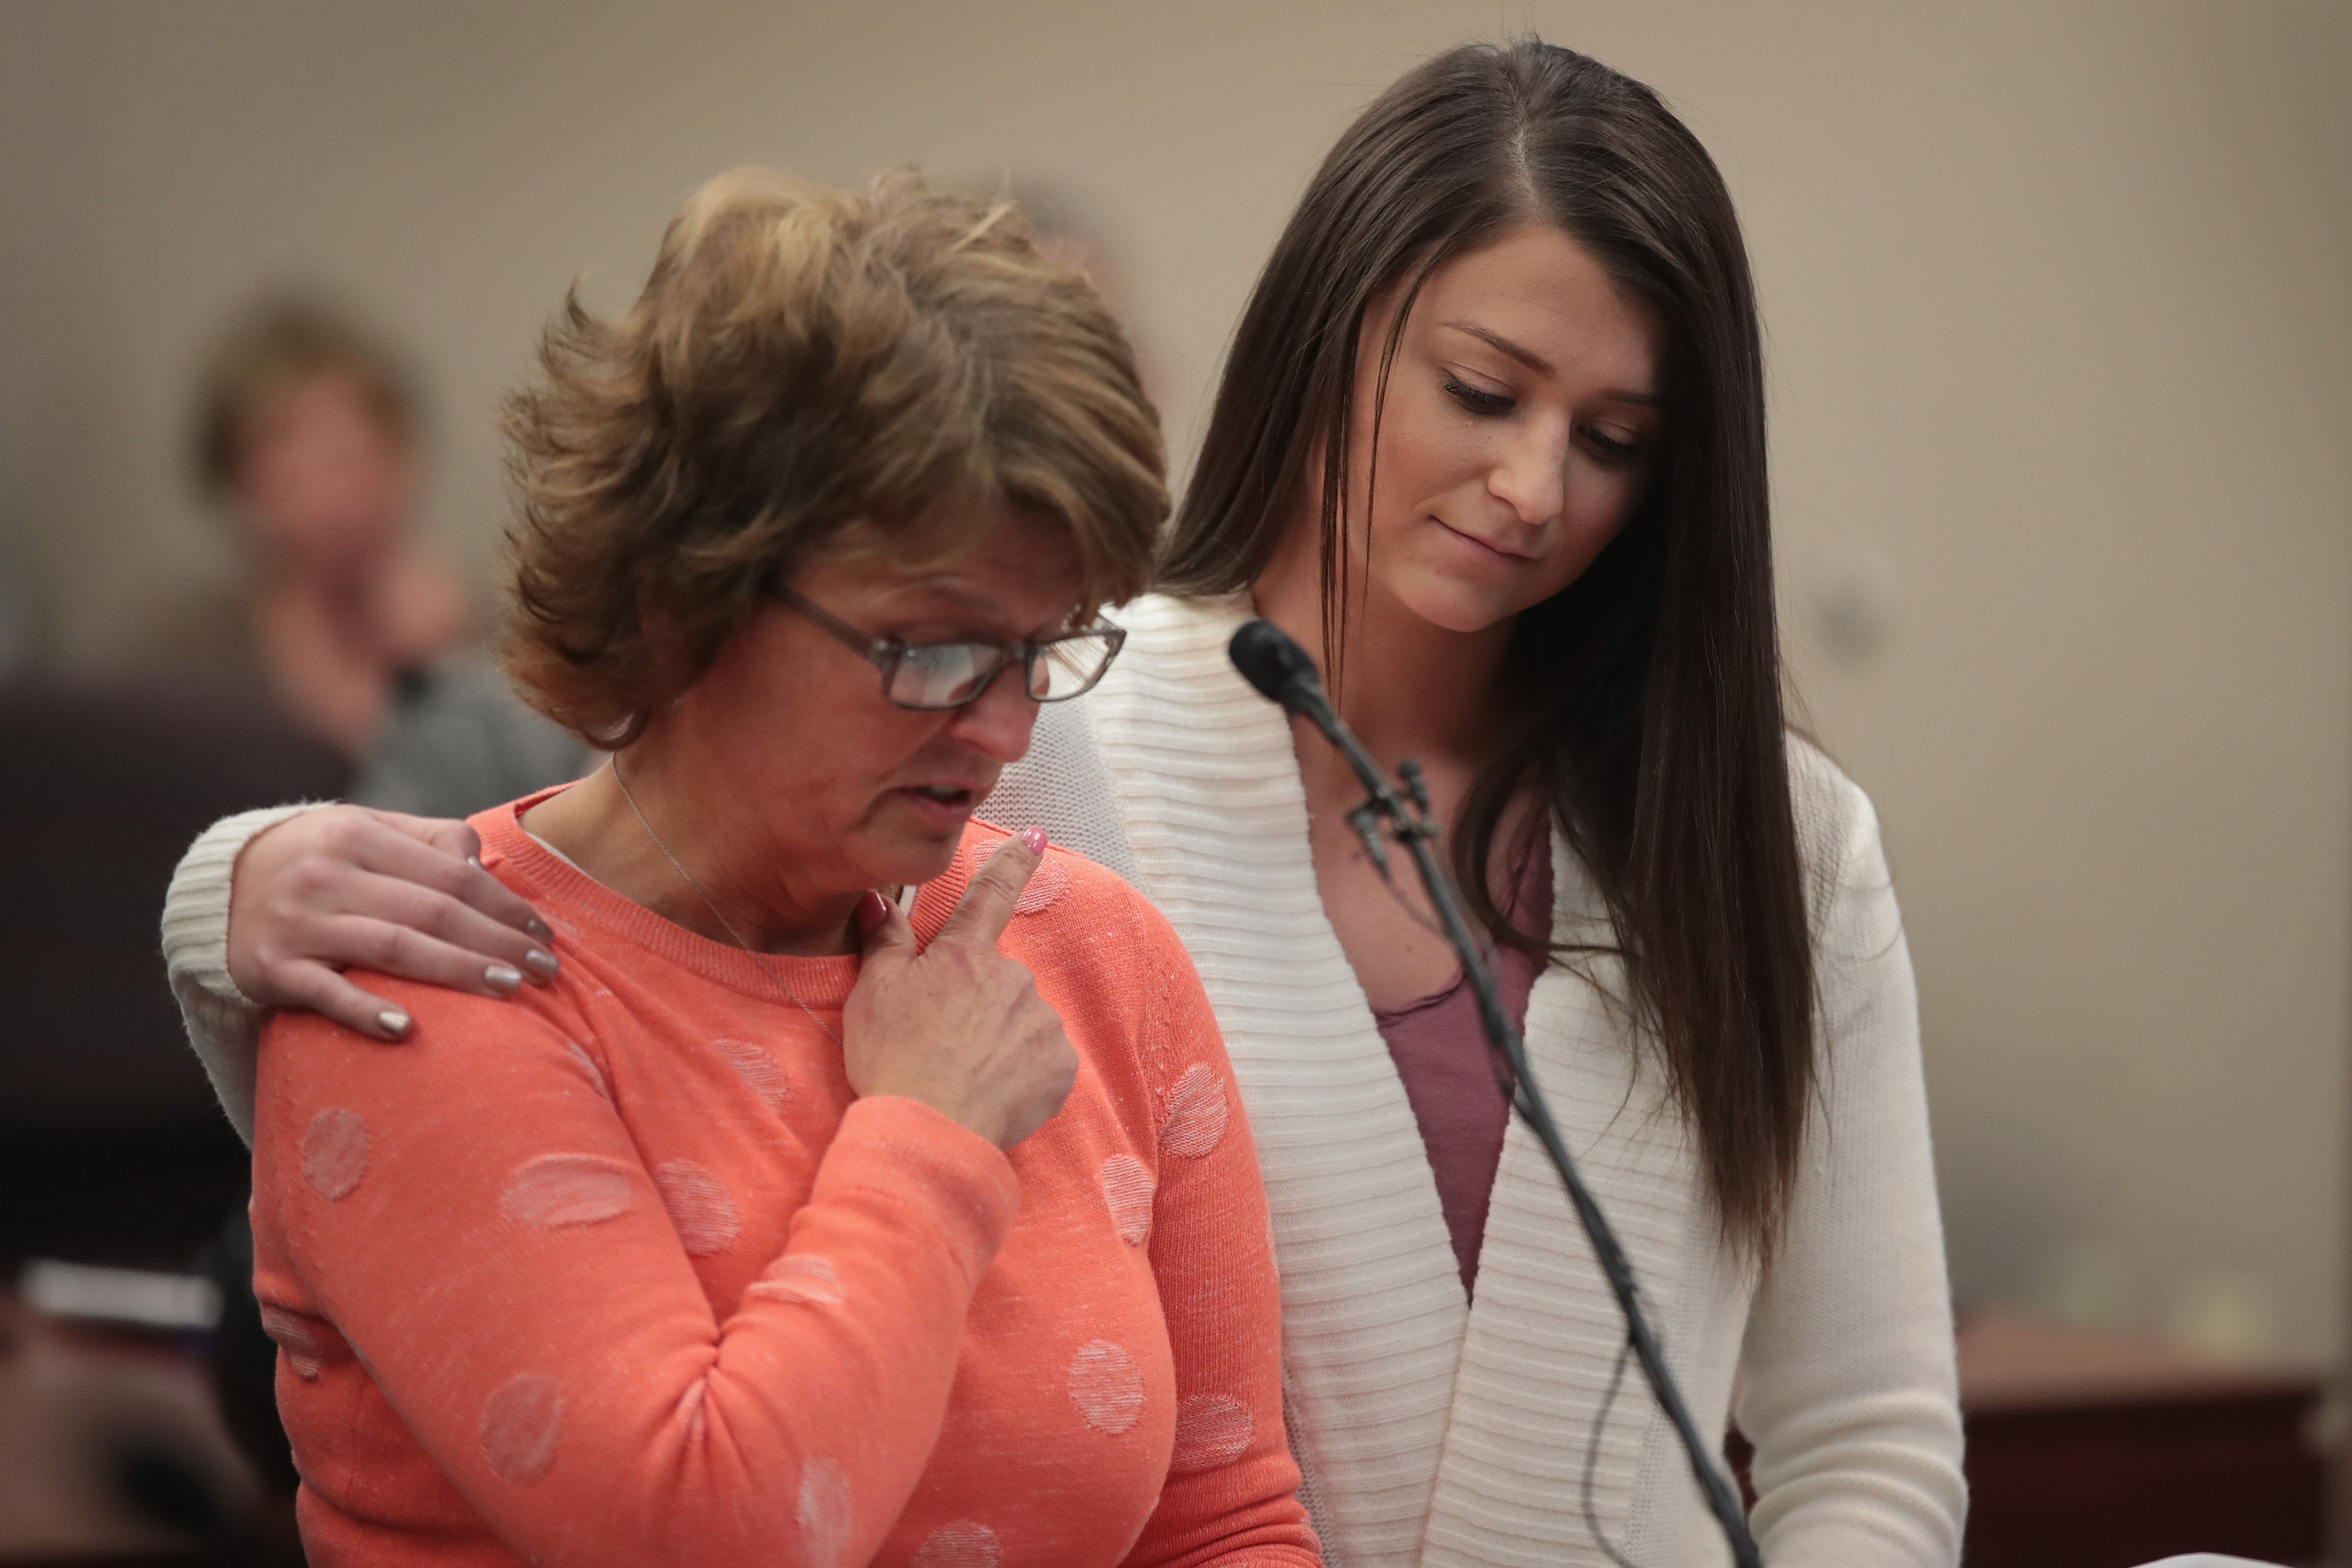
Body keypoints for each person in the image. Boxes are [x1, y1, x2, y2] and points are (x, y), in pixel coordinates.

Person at [165, 41, 1964, 1566]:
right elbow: (591, 842)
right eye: (1482, 390)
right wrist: (229, 885)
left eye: (1618, 440)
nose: (1531, 484)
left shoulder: (1084, 908)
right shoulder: (1056, 763)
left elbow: (1226, 1500)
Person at [230, 167, 1316, 1566]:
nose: (1006, 728)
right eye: (931, 649)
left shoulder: (1094, 952)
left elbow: (1227, 1523)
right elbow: (714, 1529)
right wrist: (928, 1132)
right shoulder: (433, 978)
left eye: (1042, 649)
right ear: (688, 594)